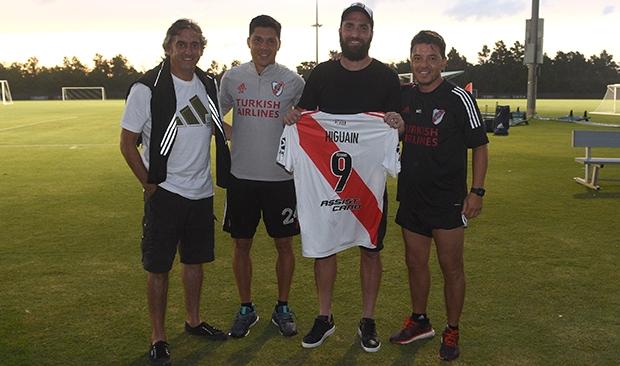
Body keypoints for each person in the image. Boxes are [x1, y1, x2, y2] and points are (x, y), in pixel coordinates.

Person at [283, 2, 403, 352]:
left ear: (370, 34)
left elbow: (399, 123)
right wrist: (295, 119)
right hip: (326, 182)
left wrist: (397, 124)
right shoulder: (321, 74)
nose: (355, 33)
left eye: (362, 27)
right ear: (340, 31)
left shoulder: (386, 76)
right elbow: (305, 116)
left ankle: (367, 319)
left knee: (370, 249)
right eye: (349, 26)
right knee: (324, 246)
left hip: (367, 184)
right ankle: (325, 316)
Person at [119, 19, 230, 366]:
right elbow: (126, 143)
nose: (188, 51)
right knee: (159, 267)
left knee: (195, 262)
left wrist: (268, 130)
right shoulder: (147, 87)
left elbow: (217, 127)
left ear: (202, 49)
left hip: (201, 192)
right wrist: (148, 183)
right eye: (181, 44)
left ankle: (193, 320)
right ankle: (158, 336)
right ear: (168, 47)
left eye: (195, 45)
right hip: (165, 192)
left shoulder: (207, 83)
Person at [388, 30, 489, 362]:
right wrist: (394, 122)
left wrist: (476, 191)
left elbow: (480, 147)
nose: (424, 65)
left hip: (448, 200)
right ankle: (420, 321)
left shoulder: (459, 97)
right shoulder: (403, 96)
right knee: (415, 264)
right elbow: (388, 123)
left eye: (432, 58)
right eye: (418, 58)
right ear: (411, 61)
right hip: (412, 197)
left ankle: (452, 328)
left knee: (451, 267)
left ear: (443, 62)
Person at [218, 15, 305, 338]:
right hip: (241, 178)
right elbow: (214, 113)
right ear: (249, 41)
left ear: (279, 44)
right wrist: (233, 133)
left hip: (281, 178)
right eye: (258, 39)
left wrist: (296, 119)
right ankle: (246, 308)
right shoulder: (232, 77)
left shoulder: (293, 81)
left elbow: (310, 118)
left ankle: (282, 306)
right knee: (242, 244)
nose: (264, 46)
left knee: (284, 244)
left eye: (270, 40)